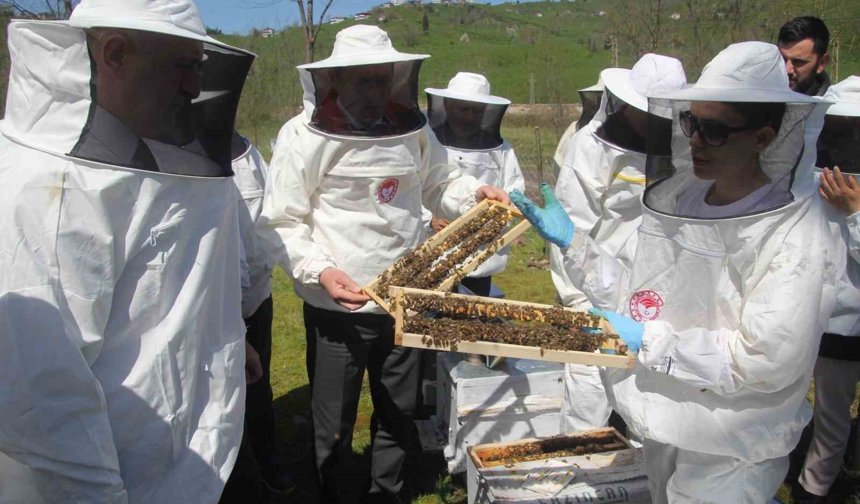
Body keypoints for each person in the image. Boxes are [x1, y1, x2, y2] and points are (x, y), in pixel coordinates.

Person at [512, 41, 840, 502]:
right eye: (690, 123)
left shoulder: (798, 230)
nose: (696, 140)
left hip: (732, 444)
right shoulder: (685, 199)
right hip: (662, 417)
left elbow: (765, 358)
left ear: (764, 137)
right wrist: (578, 246)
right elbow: (642, 296)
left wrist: (650, 340)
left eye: (715, 130)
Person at [0, 0, 256, 502]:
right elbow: (39, 397)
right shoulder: (47, 188)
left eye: (199, 68)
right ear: (115, 54)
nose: (193, 86)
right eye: (183, 66)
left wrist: (222, 333)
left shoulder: (138, 150)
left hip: (177, 451)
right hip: (102, 475)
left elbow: (158, 281)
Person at [258, 25, 508, 504]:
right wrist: (320, 272)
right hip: (338, 306)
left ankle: (387, 494)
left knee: (399, 411)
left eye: (382, 80)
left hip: (405, 295)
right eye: (363, 82)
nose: (375, 92)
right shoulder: (302, 136)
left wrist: (472, 193)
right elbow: (281, 221)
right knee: (334, 420)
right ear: (336, 82)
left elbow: (440, 183)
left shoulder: (410, 128)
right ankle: (335, 491)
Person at [548, 54, 686, 432]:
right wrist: (578, 300)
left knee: (652, 402)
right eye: (647, 111)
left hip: (658, 292)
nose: (655, 120)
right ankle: (580, 477)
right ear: (624, 103)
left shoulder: (685, 145)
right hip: (595, 288)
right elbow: (571, 224)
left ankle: (641, 481)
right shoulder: (591, 146)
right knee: (587, 401)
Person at [793, 76, 860, 504]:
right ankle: (813, 492)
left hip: (839, 317)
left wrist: (854, 213)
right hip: (829, 320)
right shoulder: (809, 180)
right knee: (830, 422)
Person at [424, 71, 525, 296]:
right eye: (463, 109)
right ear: (448, 105)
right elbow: (415, 188)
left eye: (476, 111)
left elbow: (514, 190)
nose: (468, 116)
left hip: (480, 258)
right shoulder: (427, 143)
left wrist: (499, 214)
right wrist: (428, 219)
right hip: (429, 256)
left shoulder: (502, 150)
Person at [778, 16, 831, 96]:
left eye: (798, 62)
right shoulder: (758, 100)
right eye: (781, 59)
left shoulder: (832, 107)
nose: (787, 70)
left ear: (821, 63)